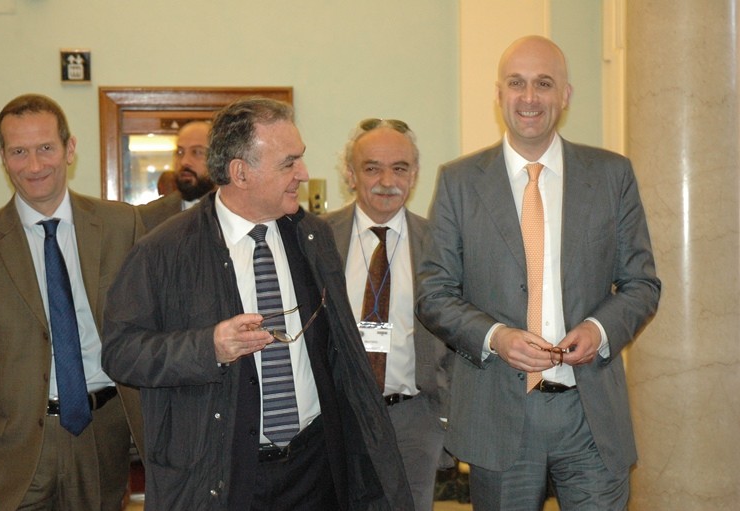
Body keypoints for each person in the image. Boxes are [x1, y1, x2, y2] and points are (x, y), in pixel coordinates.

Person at [101, 97, 412, 510]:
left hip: (315, 468)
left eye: (300, 159)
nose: (303, 173)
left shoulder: (313, 237)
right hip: (221, 474)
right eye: (288, 163)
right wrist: (208, 347)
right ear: (240, 172)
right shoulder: (164, 250)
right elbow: (121, 352)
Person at [416, 35, 661, 510]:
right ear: (499, 94)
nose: (529, 97)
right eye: (517, 83)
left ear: (565, 95)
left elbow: (642, 283)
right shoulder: (459, 182)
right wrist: (496, 337)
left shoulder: (611, 175)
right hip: (498, 413)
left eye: (544, 84)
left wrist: (599, 329)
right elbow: (434, 292)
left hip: (590, 415)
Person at [0, 94, 145, 511]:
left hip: (103, 436)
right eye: (19, 152)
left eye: (46, 148)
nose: (34, 166)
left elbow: (149, 333)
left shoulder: (122, 226)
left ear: (69, 149)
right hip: (15, 453)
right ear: (3, 158)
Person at [323, 118, 453, 511]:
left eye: (399, 168)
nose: (386, 181)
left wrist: (445, 410)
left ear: (414, 175)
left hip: (414, 417)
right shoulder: (318, 238)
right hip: (338, 415)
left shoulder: (440, 244)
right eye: (372, 168)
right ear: (350, 175)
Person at [137, 120, 215, 230]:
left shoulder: (237, 211)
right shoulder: (148, 217)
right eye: (180, 152)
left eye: (197, 152)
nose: (184, 161)